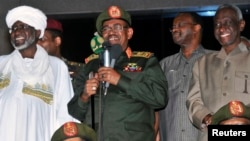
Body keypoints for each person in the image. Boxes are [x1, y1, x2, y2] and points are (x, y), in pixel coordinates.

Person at [68, 5, 168, 141]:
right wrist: (85, 95)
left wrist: (120, 80)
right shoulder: (90, 65)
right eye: (106, 29)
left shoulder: (145, 61)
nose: (111, 32)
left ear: (129, 33)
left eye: (118, 27)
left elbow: (160, 99)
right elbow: (74, 111)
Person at [0, 5, 76, 141]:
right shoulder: (2, 63)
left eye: (23, 27)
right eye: (14, 28)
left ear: (37, 32)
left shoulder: (56, 66)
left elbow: (65, 113)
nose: (16, 32)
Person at [187, 3, 249, 141]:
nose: (221, 28)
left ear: (241, 25)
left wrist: (244, 118)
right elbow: (193, 101)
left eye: (228, 22)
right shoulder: (202, 63)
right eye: (217, 24)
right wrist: (209, 119)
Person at [157, 12, 212, 141]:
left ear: (196, 28)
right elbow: (156, 108)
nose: (174, 29)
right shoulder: (164, 65)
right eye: (173, 27)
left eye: (180, 25)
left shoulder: (213, 60)